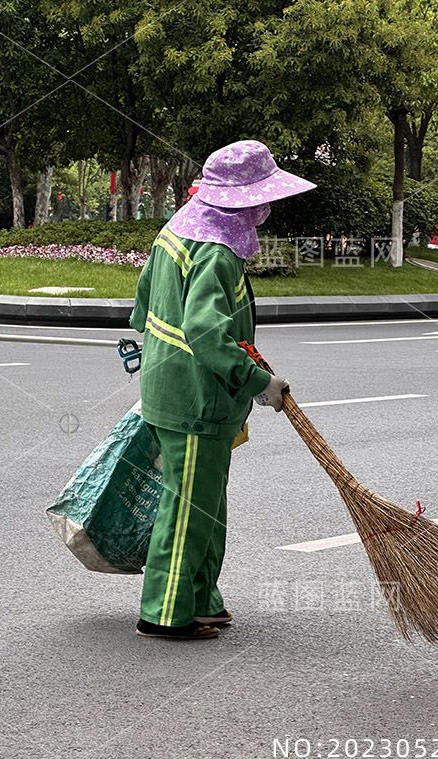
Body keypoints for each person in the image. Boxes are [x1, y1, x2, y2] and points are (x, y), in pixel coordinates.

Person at [129, 140, 315, 640]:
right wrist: (259, 382)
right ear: (242, 202)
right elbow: (207, 332)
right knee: (189, 506)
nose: (266, 210)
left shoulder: (177, 231)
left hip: (176, 389)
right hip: (196, 400)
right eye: (261, 199)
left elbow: (142, 304)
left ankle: (201, 599)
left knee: (205, 504)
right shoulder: (215, 252)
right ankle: (166, 612)